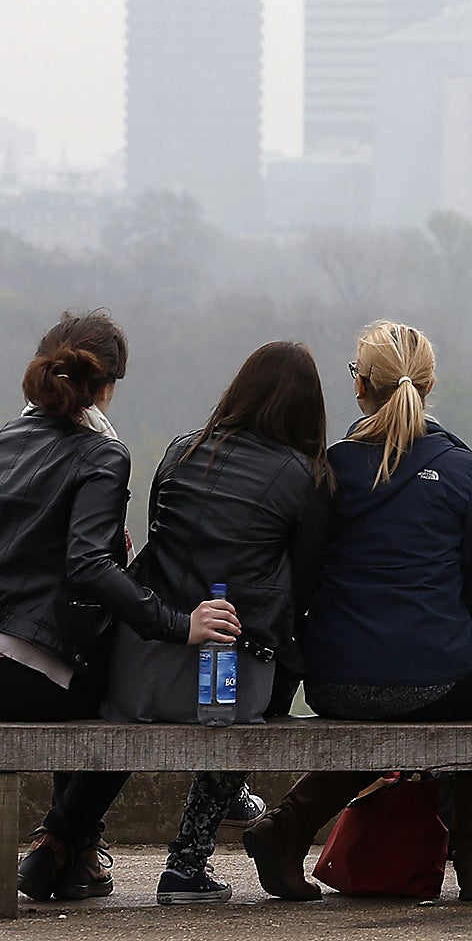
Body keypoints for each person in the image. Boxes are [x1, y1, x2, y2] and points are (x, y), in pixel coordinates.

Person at [240, 320, 472, 902]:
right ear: (429, 385)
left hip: (334, 678)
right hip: (439, 669)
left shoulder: (331, 467)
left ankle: (286, 828)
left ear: (360, 386)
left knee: (387, 709)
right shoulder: (465, 471)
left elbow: (305, 576)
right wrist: (436, 637)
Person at [2, 311, 240, 903]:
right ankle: (63, 838)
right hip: (32, 675)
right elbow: (89, 567)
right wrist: (180, 625)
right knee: (133, 689)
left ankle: (75, 856)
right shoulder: (101, 454)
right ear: (106, 387)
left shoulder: (4, 441)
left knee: (92, 655)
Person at [101, 340, 333, 903]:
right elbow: (305, 584)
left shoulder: (182, 450)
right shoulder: (307, 477)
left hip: (145, 668)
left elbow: (160, 540)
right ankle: (187, 862)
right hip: (226, 680)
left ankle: (70, 839)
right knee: (276, 665)